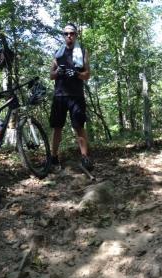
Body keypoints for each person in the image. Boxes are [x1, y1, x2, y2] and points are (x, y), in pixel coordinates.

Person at [48, 24, 94, 172]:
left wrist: (77, 74)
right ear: (63, 35)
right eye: (66, 33)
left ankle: (85, 157)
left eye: (72, 33)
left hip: (76, 96)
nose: (69, 36)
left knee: (79, 127)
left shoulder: (83, 52)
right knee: (57, 127)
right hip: (60, 95)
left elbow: (87, 75)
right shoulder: (58, 53)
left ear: (76, 35)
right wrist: (58, 72)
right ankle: (54, 157)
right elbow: (51, 75)